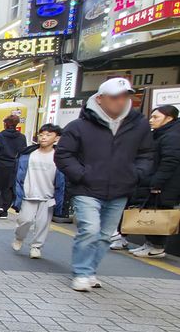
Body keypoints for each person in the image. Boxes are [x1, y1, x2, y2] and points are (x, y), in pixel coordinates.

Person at [55, 77, 155, 292]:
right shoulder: (79, 126)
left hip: (121, 188)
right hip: (87, 188)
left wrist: (136, 174)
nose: (120, 102)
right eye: (114, 97)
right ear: (100, 99)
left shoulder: (139, 125)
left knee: (104, 235)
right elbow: (63, 154)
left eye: (125, 97)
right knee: (90, 229)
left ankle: (90, 271)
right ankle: (81, 272)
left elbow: (147, 154)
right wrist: (81, 175)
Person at [129, 105, 180, 258]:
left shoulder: (172, 136)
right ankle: (150, 244)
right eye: (151, 117)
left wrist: (157, 182)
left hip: (165, 184)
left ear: (169, 118)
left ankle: (157, 247)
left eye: (155, 117)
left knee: (159, 213)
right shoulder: (162, 133)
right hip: (156, 180)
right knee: (150, 211)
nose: (151, 120)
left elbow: (170, 161)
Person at [11, 124, 66, 259]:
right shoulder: (28, 154)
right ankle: (19, 237)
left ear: (56, 138)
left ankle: (36, 247)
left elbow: (62, 179)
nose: (43, 138)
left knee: (42, 224)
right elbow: (19, 175)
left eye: (48, 135)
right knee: (24, 220)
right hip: (28, 194)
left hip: (48, 196)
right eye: (41, 135)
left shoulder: (60, 157)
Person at [0, 112, 28, 218]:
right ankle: (4, 210)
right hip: (14, 166)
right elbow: (23, 151)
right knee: (8, 188)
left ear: (5, 124)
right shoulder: (22, 137)